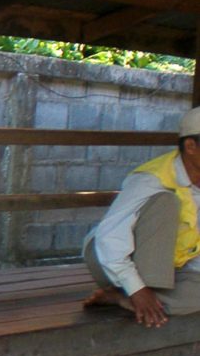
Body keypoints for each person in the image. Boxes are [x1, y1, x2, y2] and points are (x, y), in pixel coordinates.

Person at [83, 106, 200, 327]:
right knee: (165, 202)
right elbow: (110, 238)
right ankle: (139, 293)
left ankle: (123, 299)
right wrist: (137, 287)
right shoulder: (151, 179)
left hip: (168, 269)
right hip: (108, 258)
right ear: (191, 146)